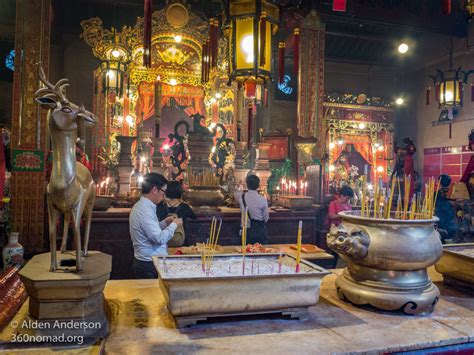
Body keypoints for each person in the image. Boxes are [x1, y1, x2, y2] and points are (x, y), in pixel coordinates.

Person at [129, 173, 183, 279]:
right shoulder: (145, 209)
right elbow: (158, 238)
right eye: (163, 191)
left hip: (149, 261)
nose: (164, 196)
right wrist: (174, 225)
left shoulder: (143, 206)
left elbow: (148, 230)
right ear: (154, 190)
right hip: (148, 264)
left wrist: (164, 223)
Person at [156, 181, 196, 246]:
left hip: (163, 243)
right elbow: (194, 218)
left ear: (167, 191)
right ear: (180, 191)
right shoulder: (185, 207)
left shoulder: (160, 206)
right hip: (180, 243)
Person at [235, 175, 269, 244]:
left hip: (246, 230)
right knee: (260, 251)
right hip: (259, 231)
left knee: (245, 251)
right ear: (258, 185)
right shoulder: (263, 200)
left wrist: (239, 185)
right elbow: (266, 218)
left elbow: (236, 193)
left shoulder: (241, 197)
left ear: (247, 184)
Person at [434, 174, 458, 243]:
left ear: (439, 183)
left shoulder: (435, 195)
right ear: (449, 183)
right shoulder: (454, 194)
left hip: (440, 228)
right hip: (453, 227)